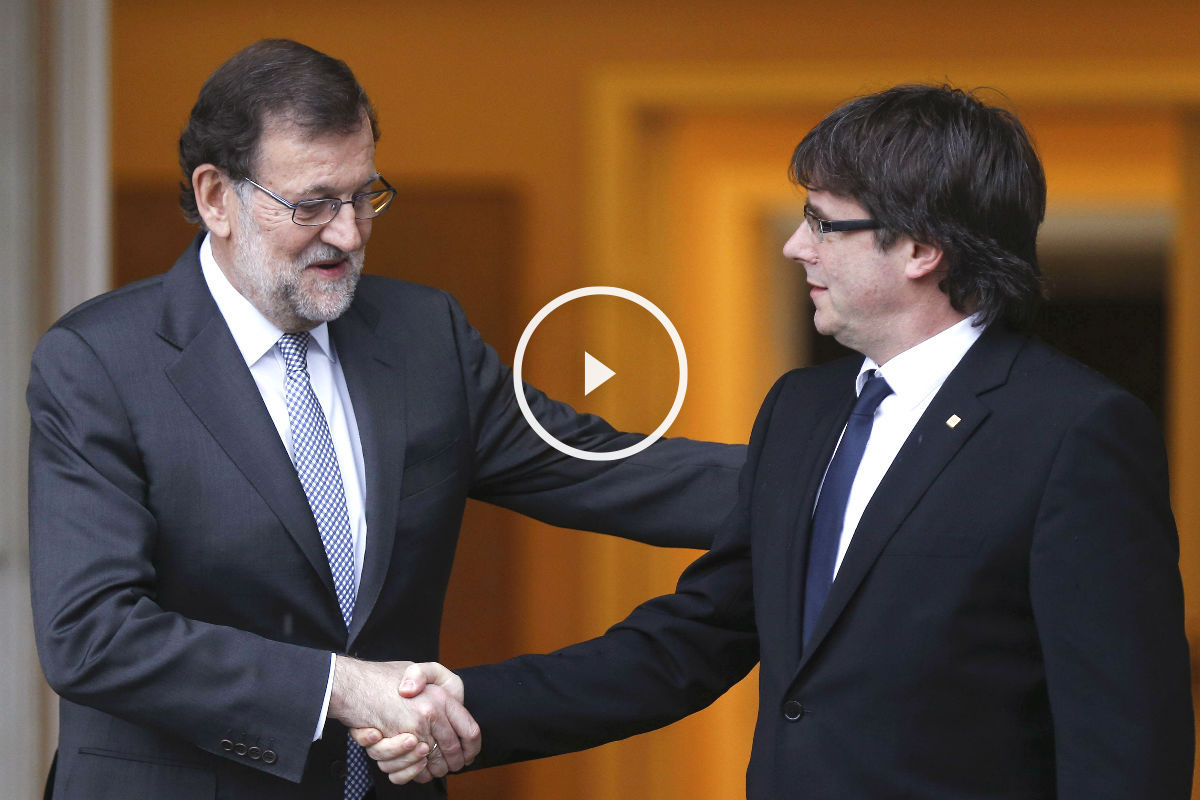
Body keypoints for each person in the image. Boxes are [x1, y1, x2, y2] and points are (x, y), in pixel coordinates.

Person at [366, 84, 1195, 796]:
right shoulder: (802, 409)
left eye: (823, 223)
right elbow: (691, 642)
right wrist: (467, 708)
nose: (798, 245)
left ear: (921, 248)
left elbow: (1126, 741)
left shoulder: (1075, 431)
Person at [26, 39, 744, 800]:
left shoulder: (424, 335)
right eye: (312, 204)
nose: (348, 233)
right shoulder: (99, 361)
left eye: (364, 194)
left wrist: (842, 473)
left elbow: (605, 467)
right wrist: (336, 687)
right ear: (215, 198)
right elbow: (91, 635)